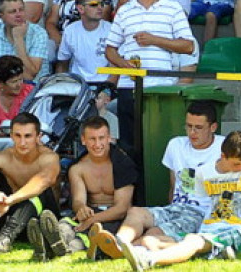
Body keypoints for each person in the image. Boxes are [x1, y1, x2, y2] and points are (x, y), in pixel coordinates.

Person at [117, 130, 241, 270]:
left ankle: (149, 260)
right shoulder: (203, 172)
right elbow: (196, 200)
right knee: (152, 240)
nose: (240, 168)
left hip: (237, 230)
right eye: (236, 164)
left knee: (193, 242)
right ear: (223, 156)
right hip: (208, 227)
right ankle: (129, 248)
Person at [95, 101, 222, 259]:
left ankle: (109, 251)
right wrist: (170, 209)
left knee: (153, 234)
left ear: (213, 127)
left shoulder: (222, 148)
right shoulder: (176, 145)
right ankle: (119, 243)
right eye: (188, 126)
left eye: (198, 127)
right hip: (175, 207)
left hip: (200, 214)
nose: (192, 132)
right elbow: (173, 185)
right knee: (135, 212)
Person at [105, 0, 196, 152]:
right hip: (129, 86)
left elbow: (189, 46)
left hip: (160, 88)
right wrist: (124, 65)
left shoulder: (173, 8)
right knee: (129, 146)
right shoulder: (125, 11)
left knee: (159, 145)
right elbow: (110, 50)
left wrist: (155, 40)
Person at [30, 116, 138, 260]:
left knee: (90, 234)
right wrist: (81, 209)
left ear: (109, 139)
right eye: (92, 139)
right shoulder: (77, 168)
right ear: (83, 140)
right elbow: (78, 200)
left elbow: (122, 209)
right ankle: (52, 241)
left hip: (115, 218)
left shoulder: (122, 164)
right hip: (91, 213)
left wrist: (92, 220)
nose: (97, 144)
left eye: (101, 138)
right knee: (66, 224)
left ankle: (62, 248)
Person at [0, 111, 61, 255]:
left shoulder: (49, 157)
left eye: (28, 136)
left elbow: (45, 180)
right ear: (11, 136)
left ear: (38, 137)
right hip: (8, 215)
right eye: (18, 135)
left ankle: (5, 239)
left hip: (39, 219)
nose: (22, 142)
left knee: (39, 190)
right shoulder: (2, 157)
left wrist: (11, 200)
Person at [55, 0, 113, 83]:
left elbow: (117, 68)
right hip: (78, 85)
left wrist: (107, 91)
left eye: (101, 4)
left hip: (105, 86)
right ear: (80, 9)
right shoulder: (70, 31)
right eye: (94, 4)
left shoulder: (112, 30)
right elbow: (62, 63)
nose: (100, 8)